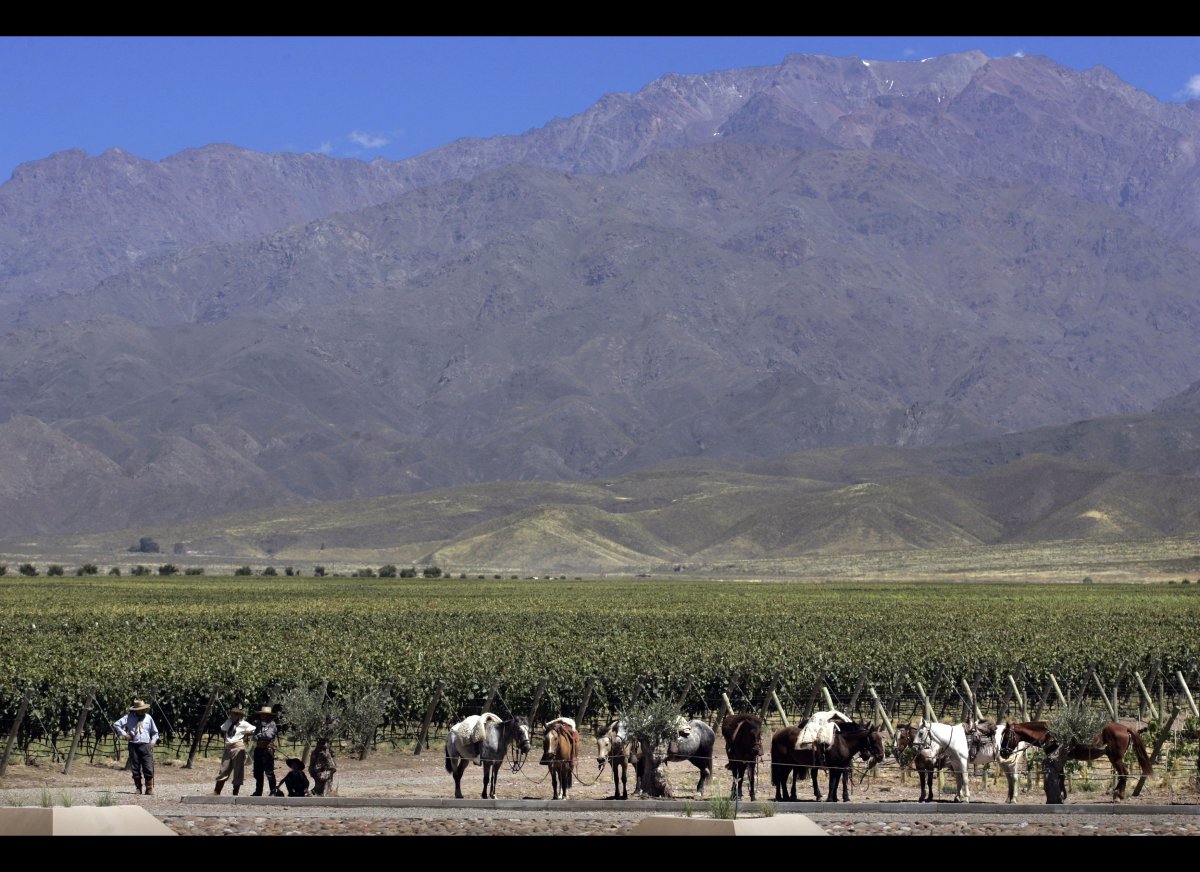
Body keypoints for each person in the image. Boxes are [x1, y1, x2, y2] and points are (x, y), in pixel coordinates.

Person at [111, 699, 159, 795]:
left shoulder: (148, 718)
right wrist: (125, 734)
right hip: (133, 745)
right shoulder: (128, 717)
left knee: (148, 766)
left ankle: (149, 788)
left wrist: (153, 742)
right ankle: (138, 788)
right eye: (140, 710)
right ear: (135, 710)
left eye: (144, 709)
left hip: (146, 745)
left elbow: (155, 732)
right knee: (135, 767)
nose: (142, 711)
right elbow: (116, 724)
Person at [213, 705, 255, 795]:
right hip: (228, 747)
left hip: (238, 747)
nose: (232, 716)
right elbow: (223, 729)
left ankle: (235, 792)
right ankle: (217, 791)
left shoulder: (244, 723)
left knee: (238, 770)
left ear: (239, 715)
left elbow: (253, 730)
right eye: (231, 714)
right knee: (223, 769)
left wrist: (247, 733)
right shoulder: (228, 722)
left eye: (235, 714)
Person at [251, 705, 281, 796]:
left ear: (268, 715)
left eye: (264, 715)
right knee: (258, 772)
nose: (262, 716)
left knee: (269, 772)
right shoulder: (259, 724)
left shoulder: (272, 724)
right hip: (258, 750)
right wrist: (257, 736)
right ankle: (258, 791)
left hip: (267, 750)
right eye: (262, 715)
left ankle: (273, 791)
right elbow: (254, 737)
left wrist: (259, 736)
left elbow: (268, 735)